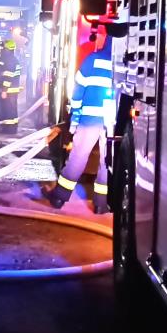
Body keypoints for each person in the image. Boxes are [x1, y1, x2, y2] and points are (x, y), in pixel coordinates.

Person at [49, 18, 117, 211]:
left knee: (78, 156)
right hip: (112, 122)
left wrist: (74, 119)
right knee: (107, 161)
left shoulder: (92, 60)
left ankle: (59, 197)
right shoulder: (123, 63)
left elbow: (77, 92)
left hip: (89, 119)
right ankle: (101, 204)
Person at [0, 38, 23, 134]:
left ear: (7, 49)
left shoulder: (9, 60)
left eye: (3, 48)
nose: (1, 50)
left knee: (8, 110)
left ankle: (9, 129)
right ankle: (11, 128)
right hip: (11, 89)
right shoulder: (13, 59)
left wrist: (4, 90)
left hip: (9, 90)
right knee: (11, 109)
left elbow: (8, 76)